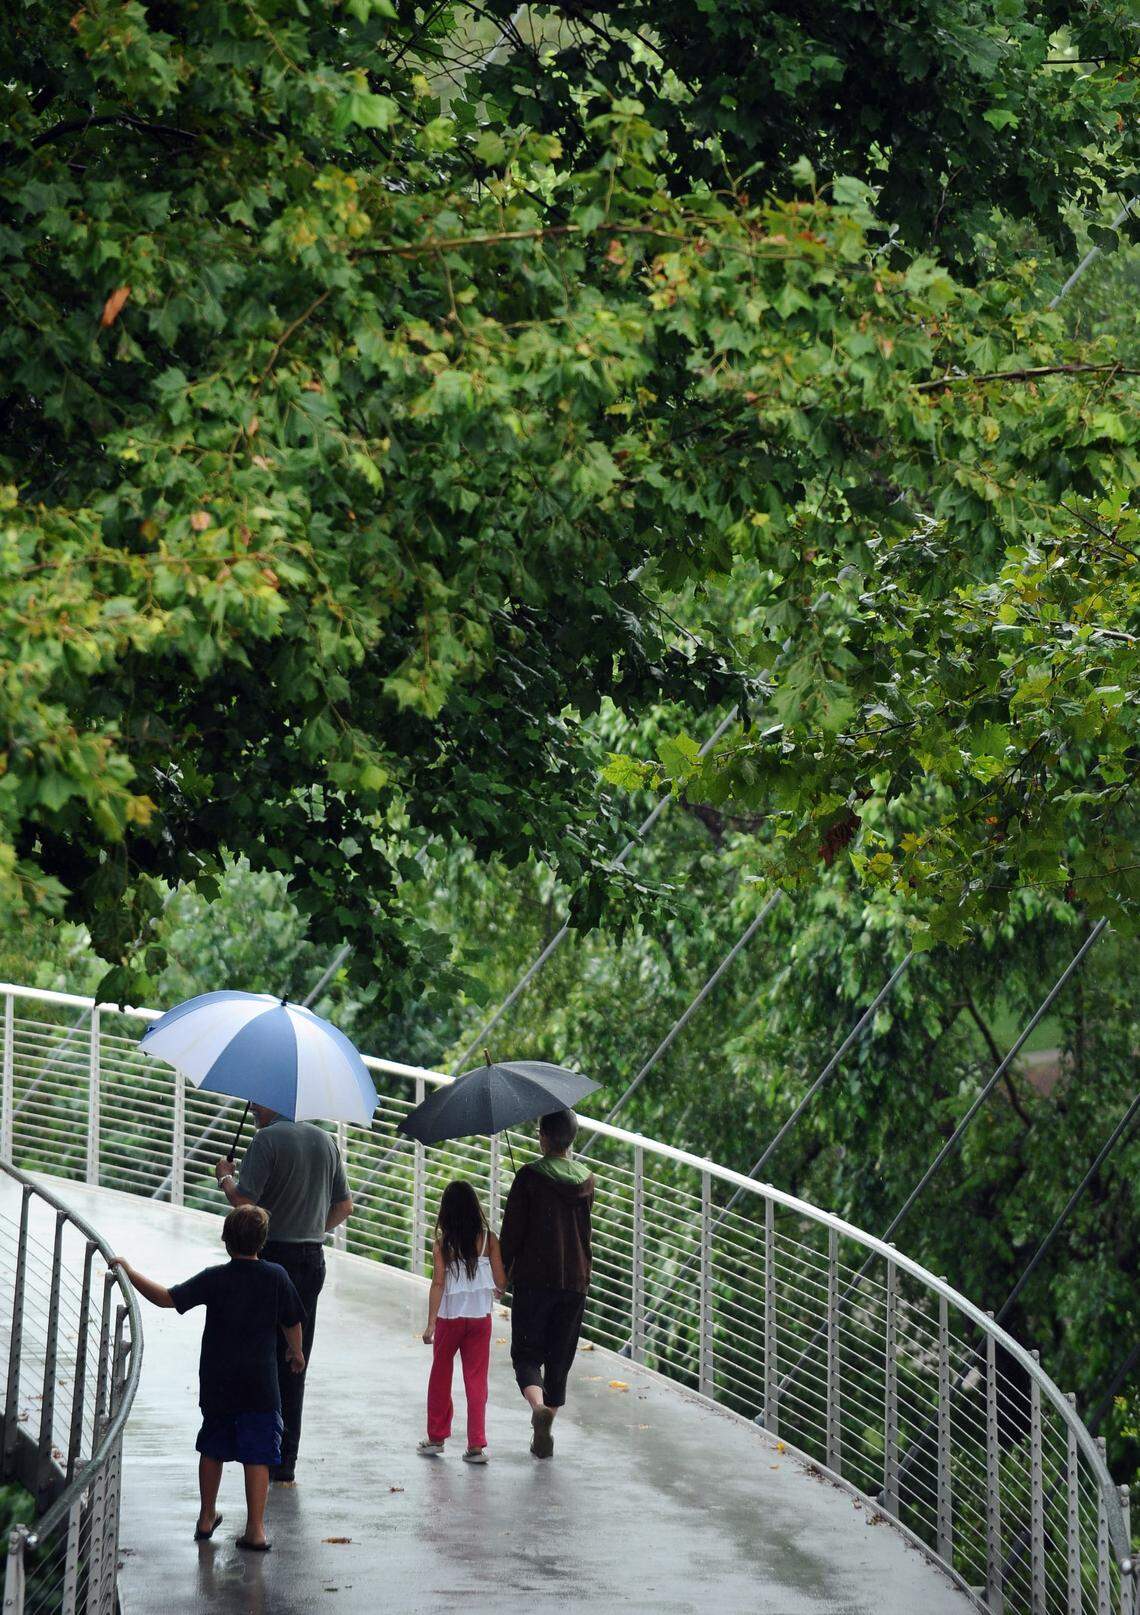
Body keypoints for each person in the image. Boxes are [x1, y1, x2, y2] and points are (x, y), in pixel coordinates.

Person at [111, 1204, 305, 1551]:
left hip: (218, 1382)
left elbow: (166, 1298)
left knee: (213, 1448)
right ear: (263, 1242)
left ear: (226, 1240)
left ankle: (205, 1516)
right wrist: (296, 1352)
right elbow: (292, 1321)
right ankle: (256, 1530)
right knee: (258, 1454)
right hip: (261, 1384)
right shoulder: (277, 1276)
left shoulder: (215, 1277)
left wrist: (129, 1271)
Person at [214, 1105, 353, 1483]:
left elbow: (245, 1203)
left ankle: (258, 1452)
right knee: (296, 1358)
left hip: (271, 1256)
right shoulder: (326, 1141)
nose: (251, 1106)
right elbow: (345, 1205)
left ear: (268, 1102)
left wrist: (225, 1178)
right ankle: (283, 1463)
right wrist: (312, 1230)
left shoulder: (266, 1140)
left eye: (255, 1100)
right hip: (311, 1259)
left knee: (263, 1359)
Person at [498, 1109, 595, 1458]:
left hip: (534, 1280)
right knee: (559, 1358)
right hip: (575, 1281)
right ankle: (547, 1417)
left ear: (543, 1138)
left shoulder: (528, 1177)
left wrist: (502, 1275)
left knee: (526, 1354)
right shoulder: (587, 1180)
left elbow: (511, 1235)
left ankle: (538, 1409)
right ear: (571, 1140)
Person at [418, 1180, 507, 1464]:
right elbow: (501, 1283)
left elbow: (438, 1283)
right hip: (480, 1319)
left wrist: (431, 1323)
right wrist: (498, 1283)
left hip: (449, 1319)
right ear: (474, 1208)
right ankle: (476, 1445)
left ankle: (436, 1437)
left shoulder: (443, 1244)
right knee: (476, 1379)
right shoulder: (489, 1239)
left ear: (446, 1211)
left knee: (441, 1376)